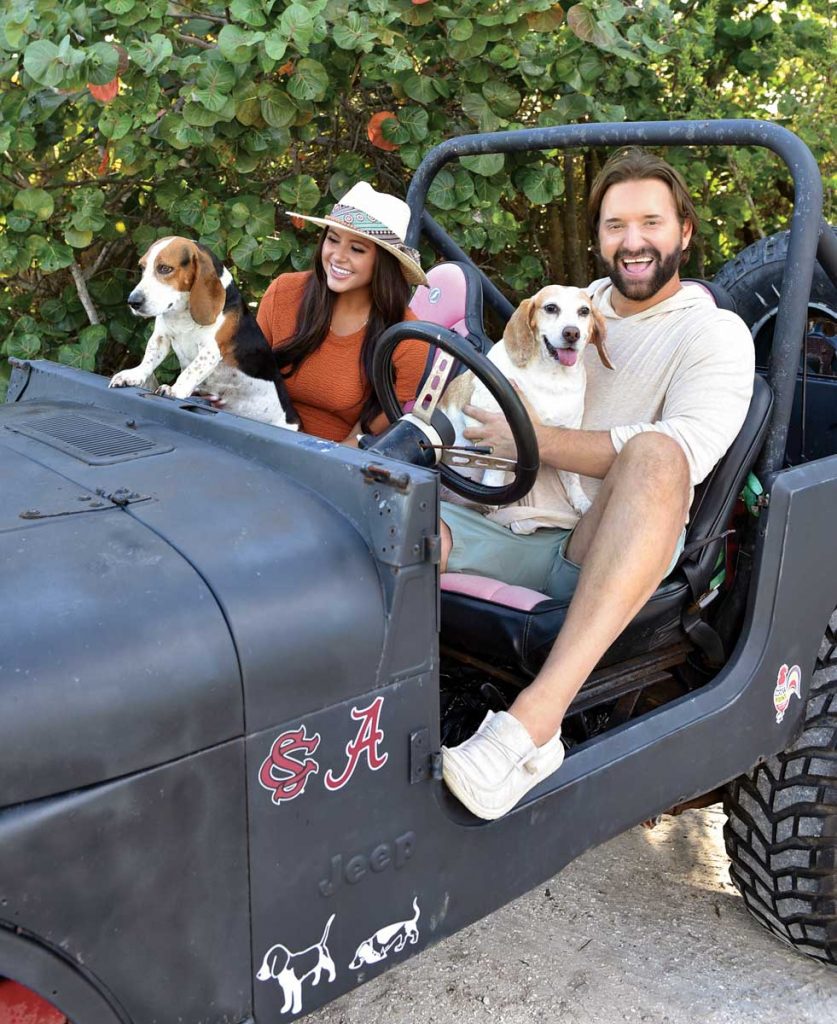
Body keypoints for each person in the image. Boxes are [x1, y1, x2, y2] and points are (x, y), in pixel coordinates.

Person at [441, 148, 756, 820]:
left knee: (655, 450)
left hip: (600, 543)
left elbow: (690, 451)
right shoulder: (569, 307)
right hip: (498, 514)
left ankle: (532, 727)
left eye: (650, 222)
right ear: (598, 238)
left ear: (685, 232)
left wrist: (535, 439)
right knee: (382, 515)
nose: (633, 240)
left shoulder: (714, 334)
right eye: (615, 225)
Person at [256, 182, 429, 444]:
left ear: (384, 262)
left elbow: (361, 441)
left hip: (330, 463)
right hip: (257, 436)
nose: (337, 256)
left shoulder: (406, 339)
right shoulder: (284, 292)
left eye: (357, 249)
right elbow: (249, 378)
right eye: (333, 239)